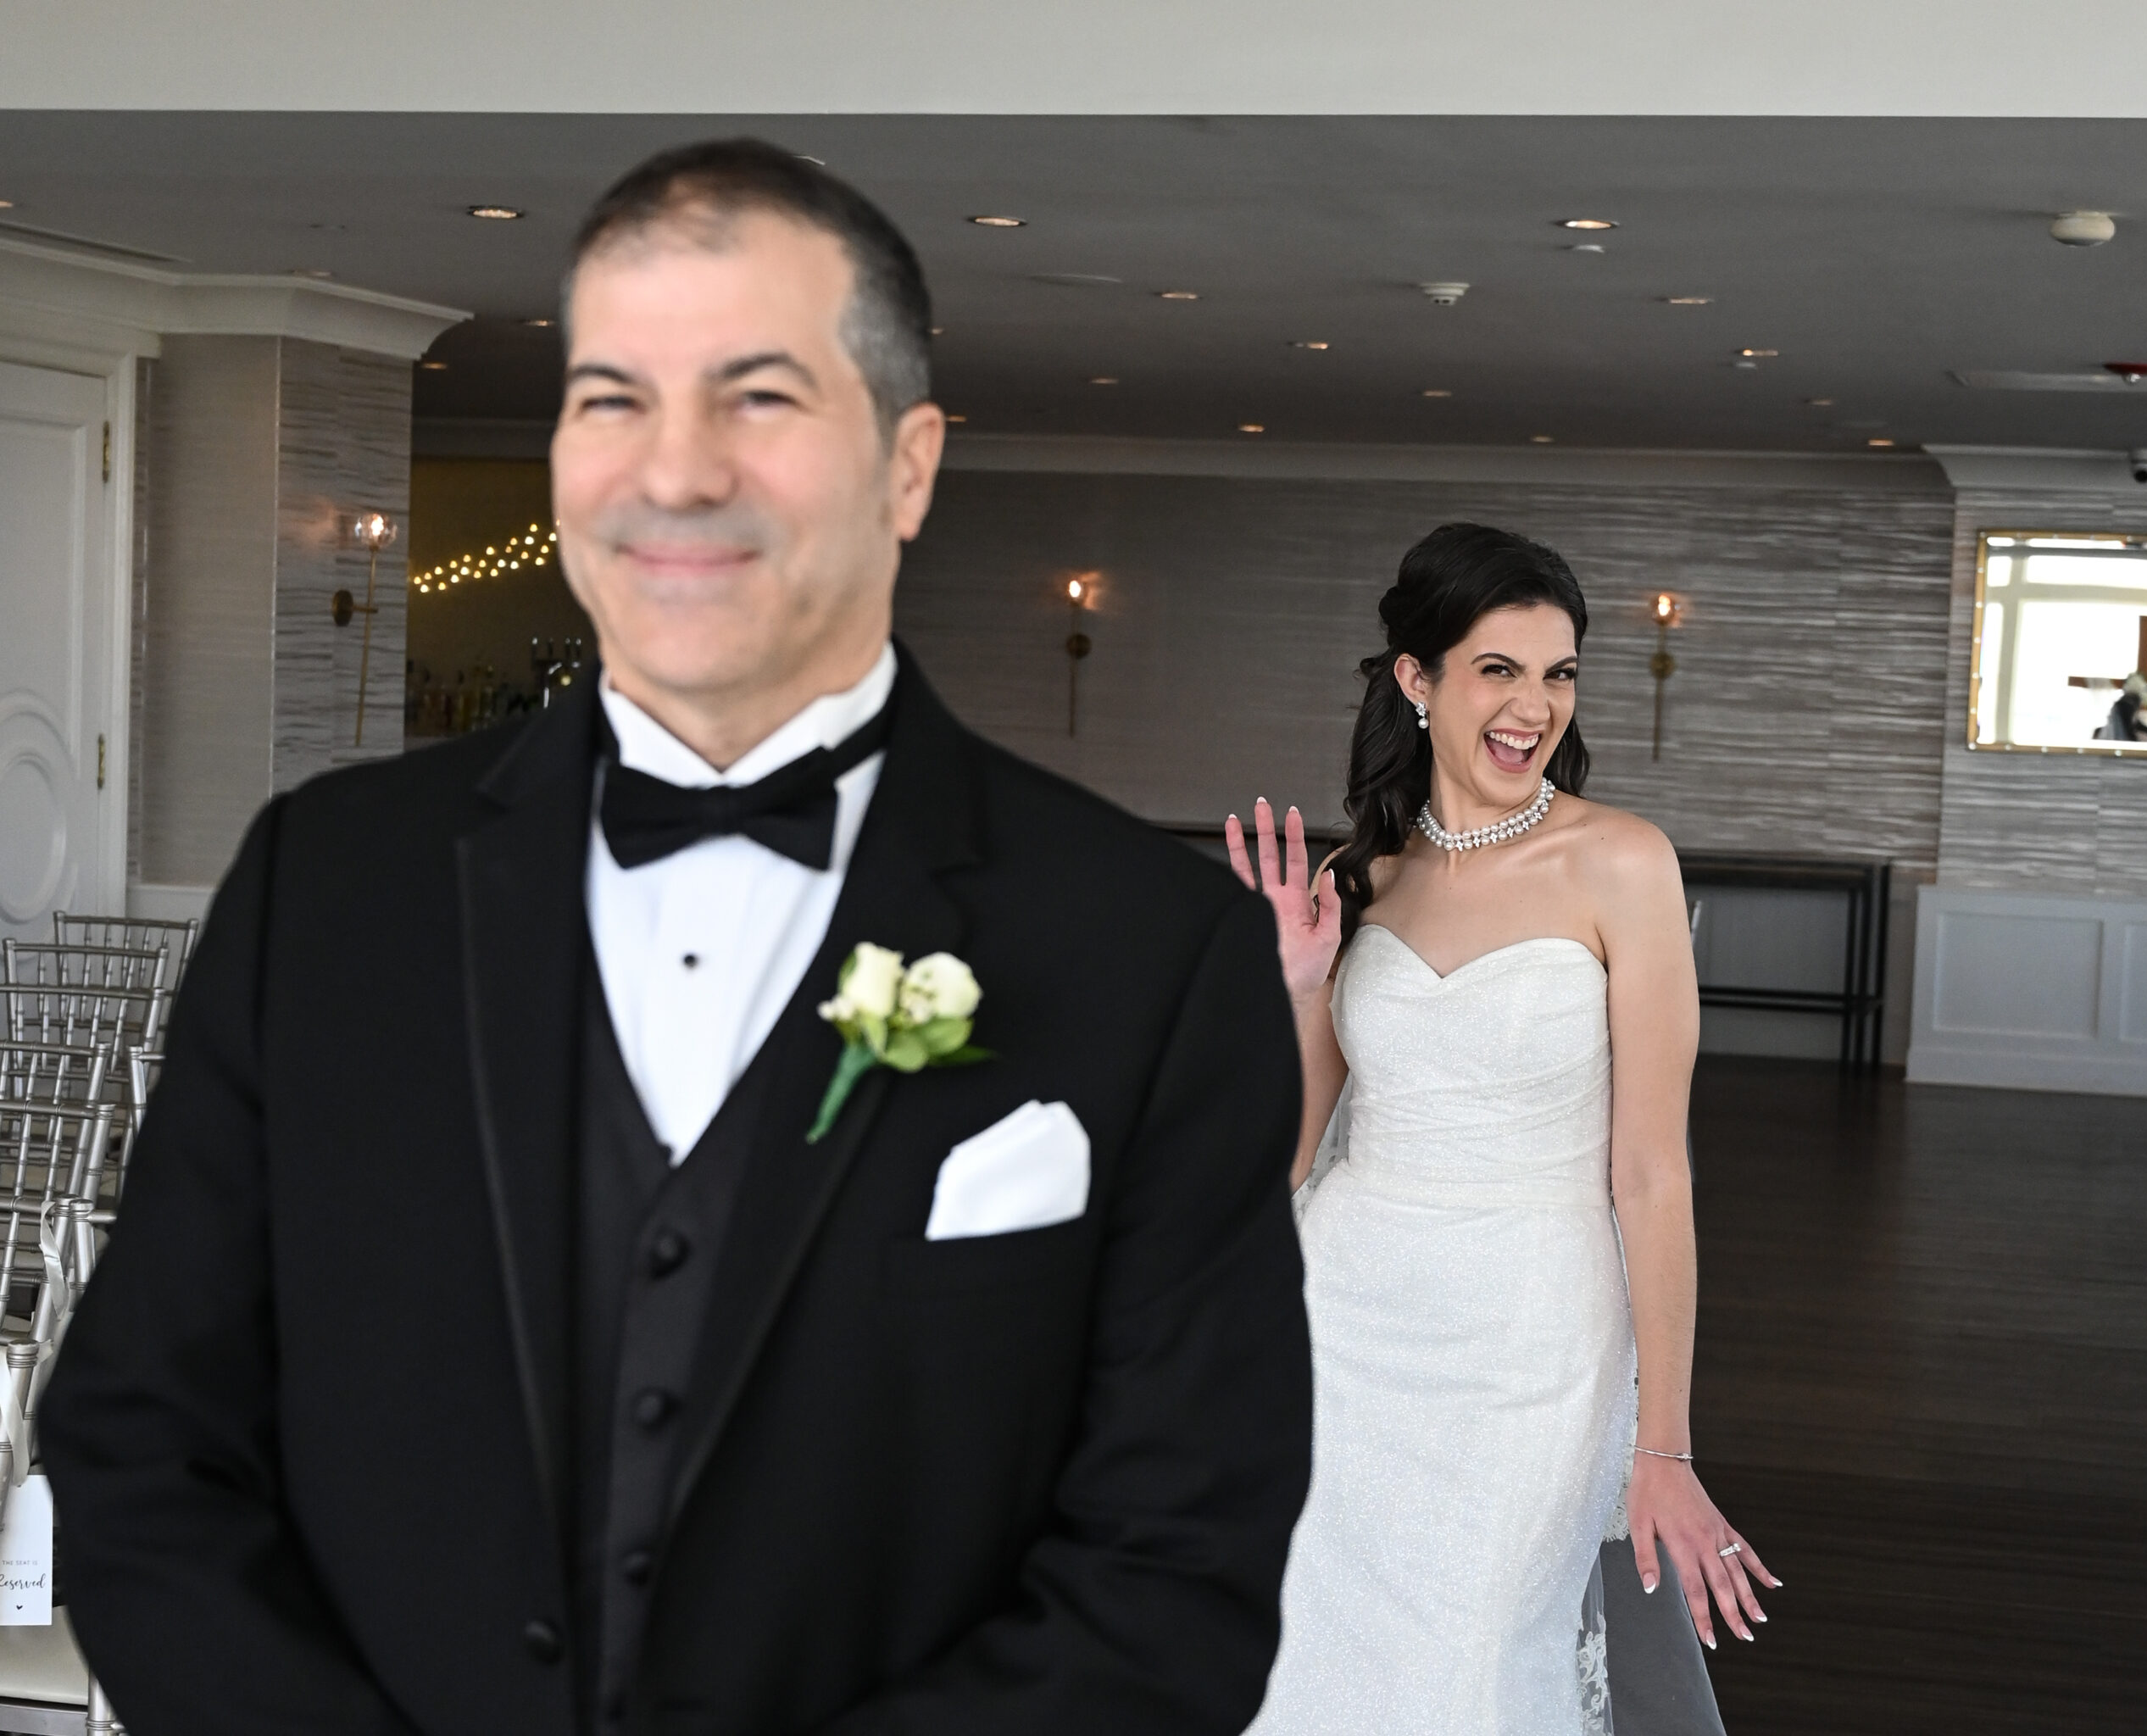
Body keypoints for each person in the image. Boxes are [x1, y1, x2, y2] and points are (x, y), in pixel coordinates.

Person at [42, 139, 1313, 1736]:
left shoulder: (1150, 951)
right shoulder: (328, 884)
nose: (677, 472)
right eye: (612, 398)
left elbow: (1173, 1579)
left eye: (758, 398)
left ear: (908, 466)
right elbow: (141, 1444)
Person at [1226, 524, 1777, 1734]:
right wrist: (1297, 987)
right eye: (1499, 670)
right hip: (1342, 1316)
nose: (1535, 707)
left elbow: (1653, 1172)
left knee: (1472, 1662)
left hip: (1535, 1335)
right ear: (1416, 679)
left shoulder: (1620, 862)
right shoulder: (1363, 878)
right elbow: (1297, 1153)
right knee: (1303, 1646)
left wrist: (1665, 1448)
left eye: (1559, 673)